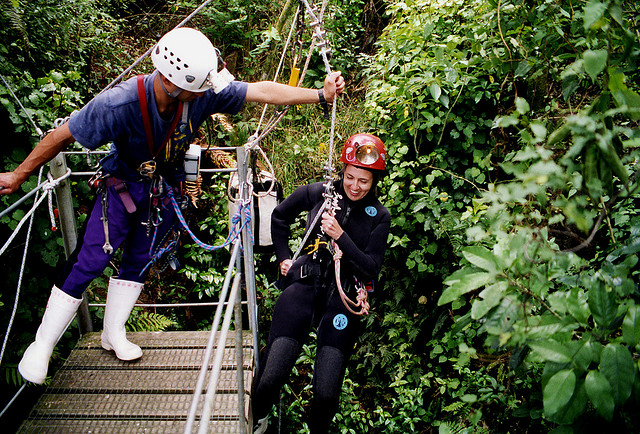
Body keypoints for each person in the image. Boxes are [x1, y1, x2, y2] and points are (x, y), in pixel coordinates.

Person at [0, 27, 345, 385]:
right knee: (92, 258)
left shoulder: (200, 95)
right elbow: (61, 135)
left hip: (160, 190)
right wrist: (18, 175)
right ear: (173, 83)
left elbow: (260, 90)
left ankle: (112, 333)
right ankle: (41, 345)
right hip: (122, 186)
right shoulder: (119, 104)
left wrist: (319, 95)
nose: (206, 92)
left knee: (139, 259)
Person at [251, 133, 390, 433]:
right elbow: (280, 216)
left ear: (375, 180)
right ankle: (257, 421)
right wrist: (283, 256)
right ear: (343, 171)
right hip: (303, 284)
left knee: (326, 393)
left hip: (343, 298)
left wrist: (340, 236)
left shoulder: (379, 216)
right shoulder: (322, 193)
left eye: (363, 181)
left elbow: (371, 269)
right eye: (350, 177)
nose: (355, 186)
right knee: (272, 375)